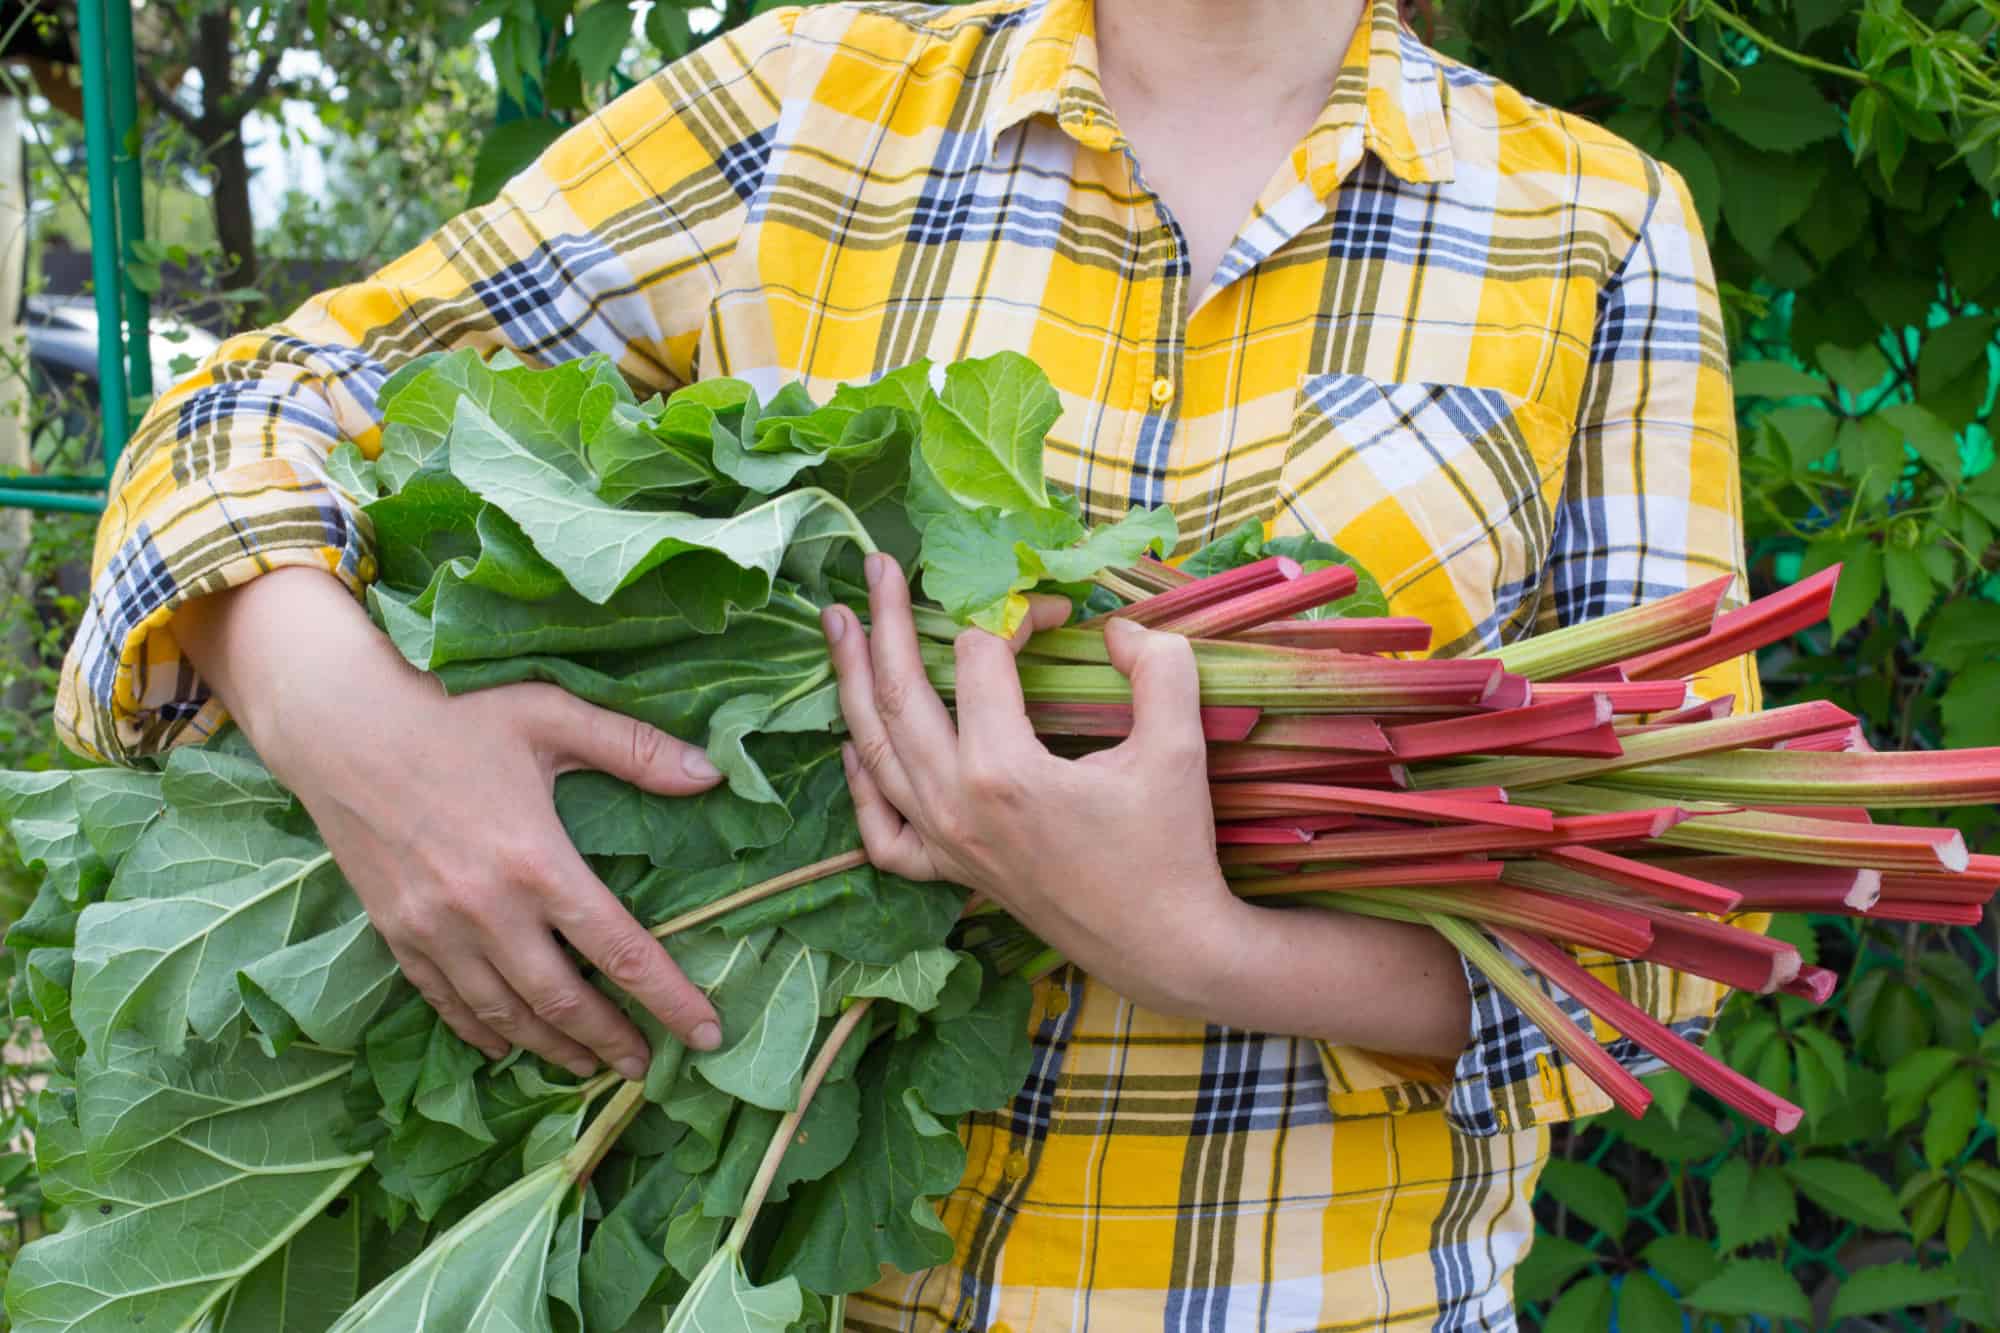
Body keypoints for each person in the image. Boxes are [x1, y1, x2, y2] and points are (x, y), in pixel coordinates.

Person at [58, 0, 1758, 1326]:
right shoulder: (811, 104)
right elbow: (253, 404)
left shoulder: (1594, 229)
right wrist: (359, 735)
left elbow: (1683, 935)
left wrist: (1202, 944)